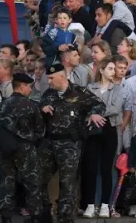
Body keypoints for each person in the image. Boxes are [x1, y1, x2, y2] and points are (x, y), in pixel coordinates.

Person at [38, 63, 106, 223]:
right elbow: (39, 108)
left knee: (67, 182)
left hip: (70, 144)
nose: (49, 82)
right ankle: (44, 213)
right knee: (39, 178)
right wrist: (43, 108)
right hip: (49, 142)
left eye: (52, 78)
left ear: (62, 76)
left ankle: (65, 217)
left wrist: (94, 114)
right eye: (48, 78)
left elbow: (99, 104)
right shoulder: (48, 94)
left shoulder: (80, 92)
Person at [0, 72, 45, 223]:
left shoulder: (2, 106)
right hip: (26, 149)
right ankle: (35, 216)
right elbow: (40, 131)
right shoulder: (31, 106)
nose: (30, 90)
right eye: (29, 86)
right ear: (22, 86)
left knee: (7, 182)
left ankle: (6, 217)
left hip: (5, 149)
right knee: (32, 183)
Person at [82, 59, 127, 218]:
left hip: (110, 129)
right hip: (93, 131)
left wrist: (95, 112)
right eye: (110, 68)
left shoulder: (118, 89)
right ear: (101, 70)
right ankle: (90, 204)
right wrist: (91, 113)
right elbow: (84, 106)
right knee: (91, 168)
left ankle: (105, 204)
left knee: (107, 169)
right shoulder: (90, 88)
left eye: (114, 69)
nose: (113, 71)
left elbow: (116, 108)